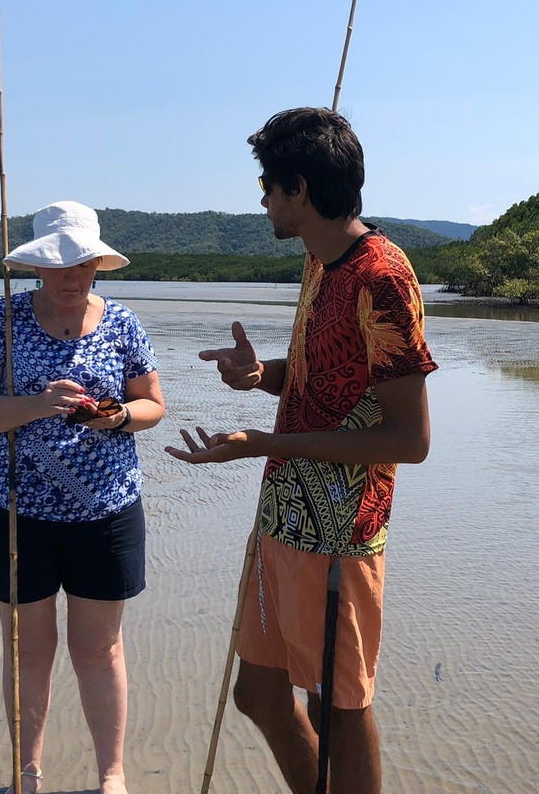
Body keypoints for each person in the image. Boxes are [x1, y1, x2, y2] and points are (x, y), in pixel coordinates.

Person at [165, 107, 437, 794]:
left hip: (339, 533)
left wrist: (266, 444)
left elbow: (410, 439)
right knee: (258, 694)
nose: (261, 200)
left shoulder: (382, 276)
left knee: (336, 708)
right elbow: (328, 382)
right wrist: (262, 378)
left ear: (301, 190)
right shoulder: (320, 262)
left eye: (268, 185)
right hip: (286, 517)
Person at [0, 200, 165, 794]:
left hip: (106, 511)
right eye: (58, 266)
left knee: (99, 649)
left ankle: (111, 777)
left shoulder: (122, 322)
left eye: (83, 264)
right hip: (15, 512)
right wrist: (37, 404)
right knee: (27, 651)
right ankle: (26, 776)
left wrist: (120, 416)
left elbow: (154, 405)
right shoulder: (4, 320)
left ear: (99, 265)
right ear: (37, 269)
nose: (72, 278)